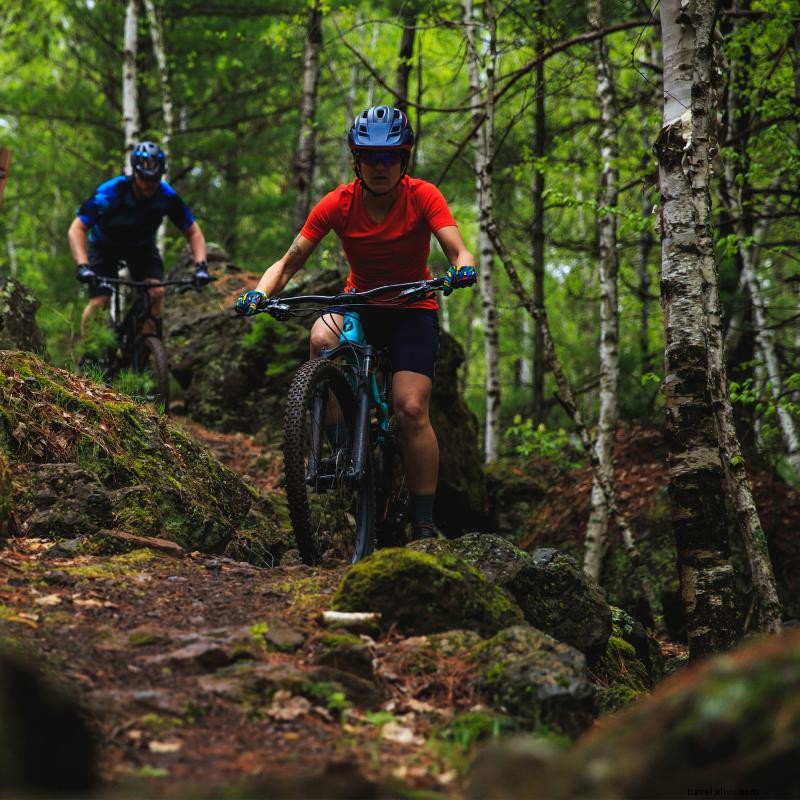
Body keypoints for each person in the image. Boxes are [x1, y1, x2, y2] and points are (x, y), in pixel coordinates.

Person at [235, 105, 476, 541]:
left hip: (412, 308)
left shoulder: (423, 196)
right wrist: (260, 292)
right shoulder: (338, 204)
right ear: (356, 160)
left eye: (389, 157)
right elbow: (289, 262)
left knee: (410, 409)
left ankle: (423, 521)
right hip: (360, 302)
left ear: (403, 159)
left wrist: (462, 269)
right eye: (370, 157)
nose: (380, 167)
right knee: (320, 337)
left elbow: (458, 249)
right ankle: (342, 447)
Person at [68, 141, 211, 336]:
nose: (150, 185)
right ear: (135, 174)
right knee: (100, 300)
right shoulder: (109, 193)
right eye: (145, 179)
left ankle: (146, 348)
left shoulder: (166, 196)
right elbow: (77, 228)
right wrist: (83, 266)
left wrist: (201, 267)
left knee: (156, 293)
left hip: (141, 248)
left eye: (155, 180)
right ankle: (86, 349)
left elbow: (193, 232)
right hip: (104, 246)